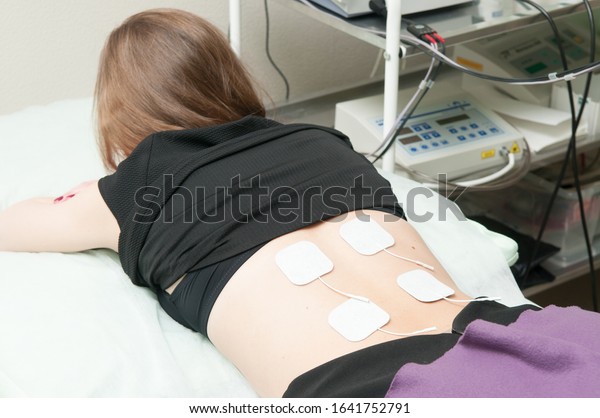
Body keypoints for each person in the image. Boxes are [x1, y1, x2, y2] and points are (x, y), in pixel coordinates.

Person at [1, 9, 599, 398]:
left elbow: (12, 225)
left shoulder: (130, 192)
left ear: (120, 117)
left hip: (368, 388)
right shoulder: (322, 143)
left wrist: (89, 193)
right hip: (526, 339)